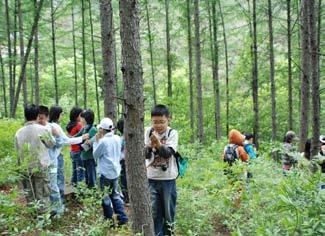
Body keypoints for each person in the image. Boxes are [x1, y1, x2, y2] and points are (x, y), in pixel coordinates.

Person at [145, 104, 178, 236]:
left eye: (162, 122)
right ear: (151, 121)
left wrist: (158, 144)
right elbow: (145, 155)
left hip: (168, 179)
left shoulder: (172, 133)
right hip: (151, 178)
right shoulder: (148, 131)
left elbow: (167, 153)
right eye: (155, 122)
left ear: (168, 119)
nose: (158, 125)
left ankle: (169, 234)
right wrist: (148, 147)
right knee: (154, 212)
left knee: (168, 212)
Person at [15, 104, 52, 210]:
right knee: (43, 194)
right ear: (37, 116)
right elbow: (50, 144)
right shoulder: (43, 130)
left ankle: (34, 219)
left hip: (26, 168)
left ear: (25, 116)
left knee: (30, 195)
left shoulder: (19, 133)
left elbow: (17, 153)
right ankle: (44, 219)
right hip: (41, 166)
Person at [49, 106, 88, 204]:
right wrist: (82, 137)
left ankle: (58, 201)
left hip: (64, 153)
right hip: (63, 154)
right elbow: (66, 140)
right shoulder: (55, 126)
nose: (62, 116)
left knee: (73, 173)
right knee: (62, 178)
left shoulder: (50, 125)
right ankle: (60, 202)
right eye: (61, 114)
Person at [93, 118, 128, 225]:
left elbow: (95, 155)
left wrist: (96, 141)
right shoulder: (117, 138)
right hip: (115, 171)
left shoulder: (103, 141)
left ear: (102, 130)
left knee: (105, 196)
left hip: (105, 173)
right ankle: (122, 218)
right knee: (115, 195)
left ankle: (109, 220)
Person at [37, 105, 64, 216]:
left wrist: (56, 134)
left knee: (53, 186)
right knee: (41, 188)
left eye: (42, 118)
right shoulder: (36, 128)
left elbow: (59, 143)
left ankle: (58, 211)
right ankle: (45, 211)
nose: (40, 120)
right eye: (38, 117)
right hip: (39, 163)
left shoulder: (50, 128)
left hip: (52, 162)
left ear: (47, 117)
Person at [76, 109, 97, 188]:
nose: (80, 120)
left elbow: (91, 144)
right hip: (84, 157)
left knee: (91, 179)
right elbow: (76, 137)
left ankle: (93, 195)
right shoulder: (84, 128)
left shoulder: (93, 130)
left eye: (82, 118)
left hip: (90, 158)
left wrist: (82, 145)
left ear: (86, 118)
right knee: (87, 178)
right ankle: (89, 195)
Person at [66, 107, 84, 186]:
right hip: (78, 151)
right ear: (77, 116)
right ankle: (81, 189)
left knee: (74, 170)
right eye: (81, 115)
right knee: (80, 170)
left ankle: (73, 184)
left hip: (72, 150)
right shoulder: (78, 125)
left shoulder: (70, 125)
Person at [117, 118, 129, 205]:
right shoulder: (124, 139)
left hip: (123, 161)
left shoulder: (120, 139)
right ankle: (127, 198)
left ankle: (126, 198)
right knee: (125, 179)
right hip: (125, 162)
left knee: (124, 180)